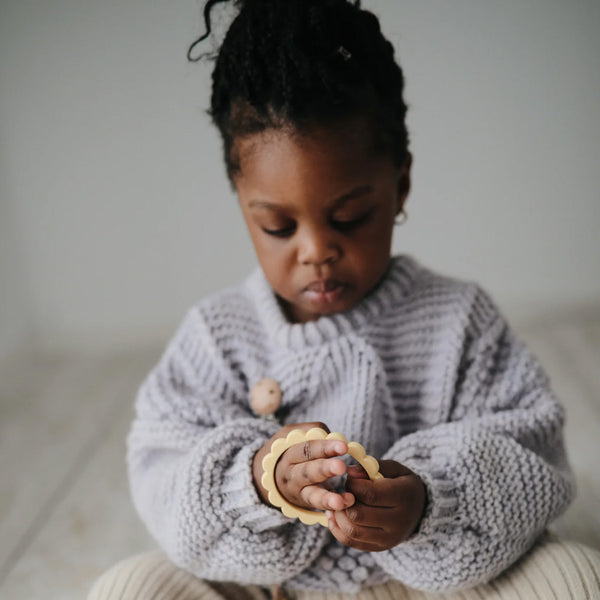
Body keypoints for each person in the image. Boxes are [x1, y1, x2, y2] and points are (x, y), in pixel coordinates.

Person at [88, 0, 600, 598]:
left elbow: (534, 449)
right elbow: (162, 470)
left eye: (351, 217)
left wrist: (431, 499)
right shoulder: (217, 336)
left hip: (442, 584)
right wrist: (256, 480)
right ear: (241, 200)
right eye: (279, 227)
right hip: (272, 588)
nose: (316, 251)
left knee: (576, 578)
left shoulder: (458, 321)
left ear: (399, 183)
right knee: (131, 587)